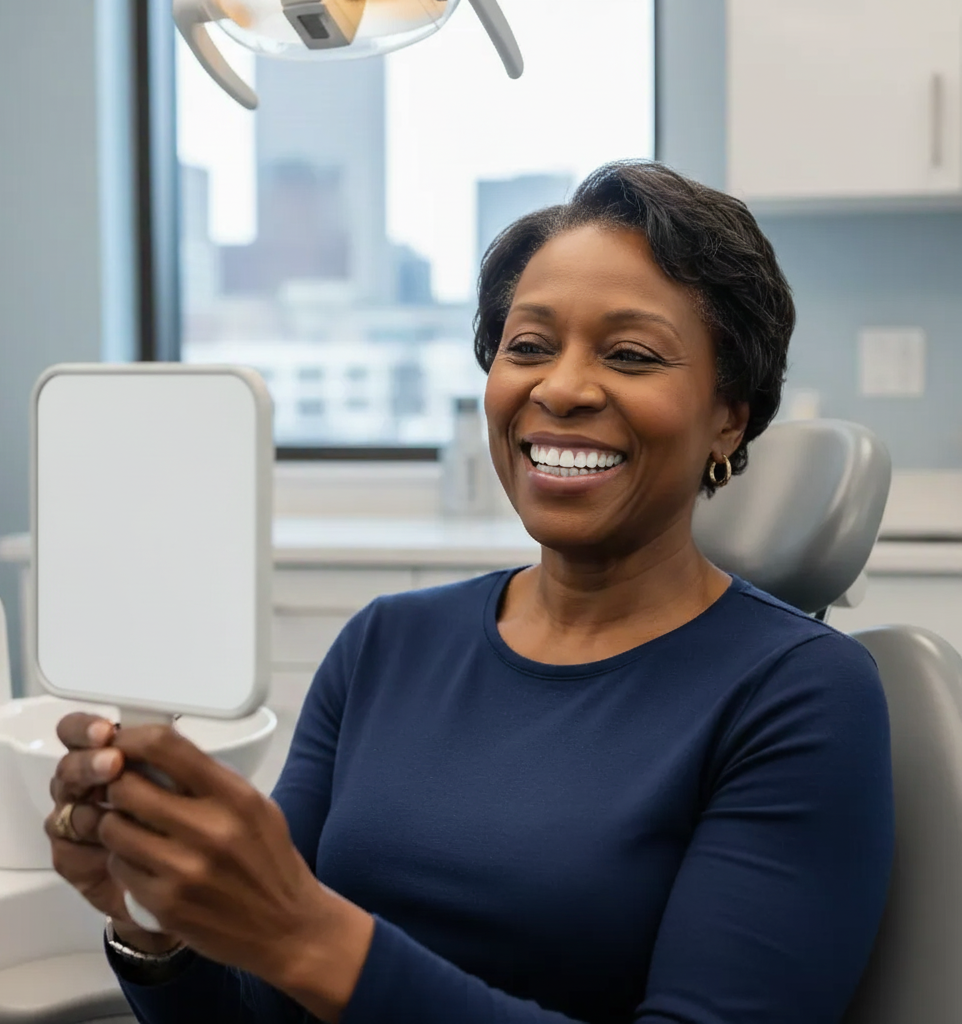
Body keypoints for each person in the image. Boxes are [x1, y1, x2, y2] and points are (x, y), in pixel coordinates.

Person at [45, 161, 894, 1024]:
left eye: (630, 355)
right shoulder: (386, 645)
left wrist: (306, 935)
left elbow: (302, 946)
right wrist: (158, 927)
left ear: (729, 417)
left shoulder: (802, 692)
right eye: (528, 347)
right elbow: (262, 1010)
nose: (560, 387)